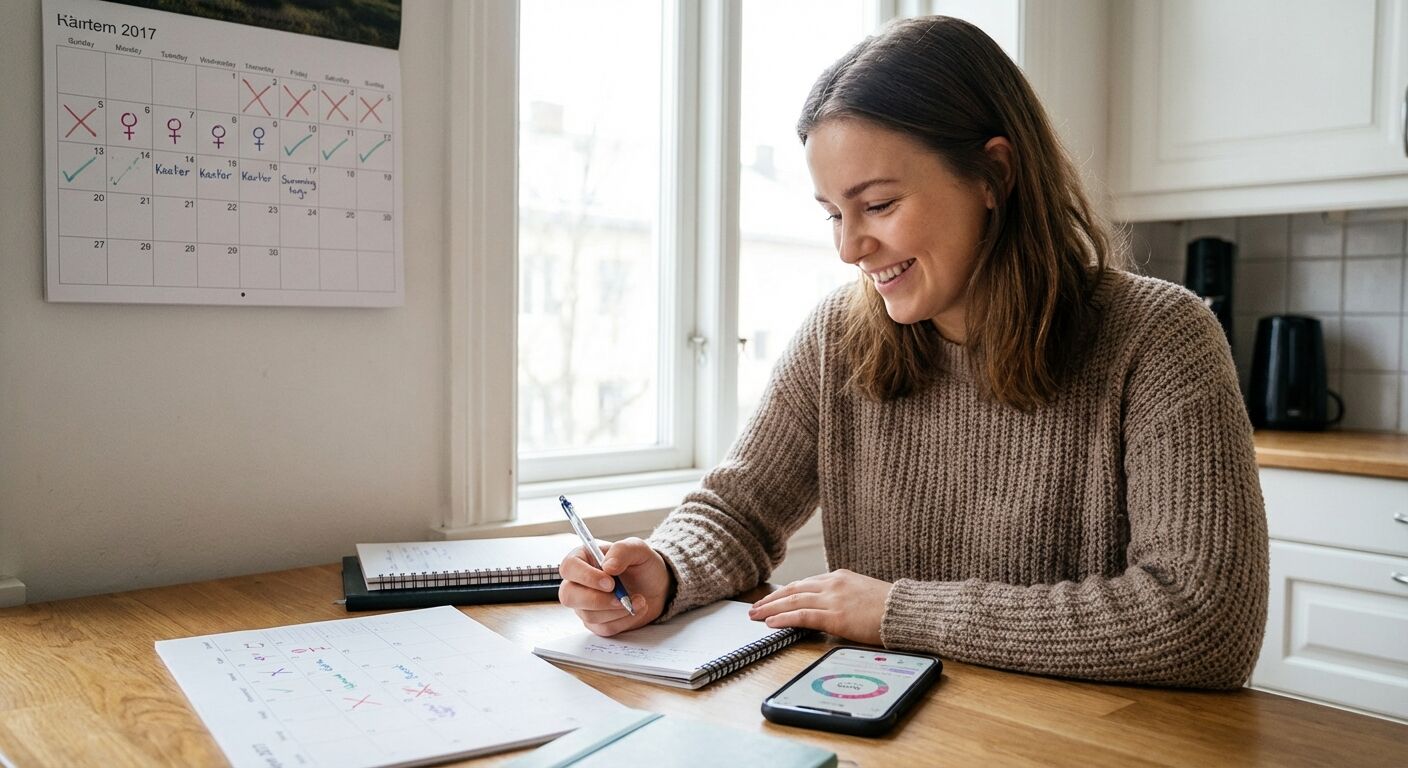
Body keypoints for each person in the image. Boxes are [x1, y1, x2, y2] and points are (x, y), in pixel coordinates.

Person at [557, 16, 1268, 689]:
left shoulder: (1159, 338)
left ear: (993, 175)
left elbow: (1204, 622)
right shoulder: (837, 337)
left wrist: (894, 611)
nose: (848, 247)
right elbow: (738, 511)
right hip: (884, 728)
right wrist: (667, 569)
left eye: (879, 205)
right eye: (835, 214)